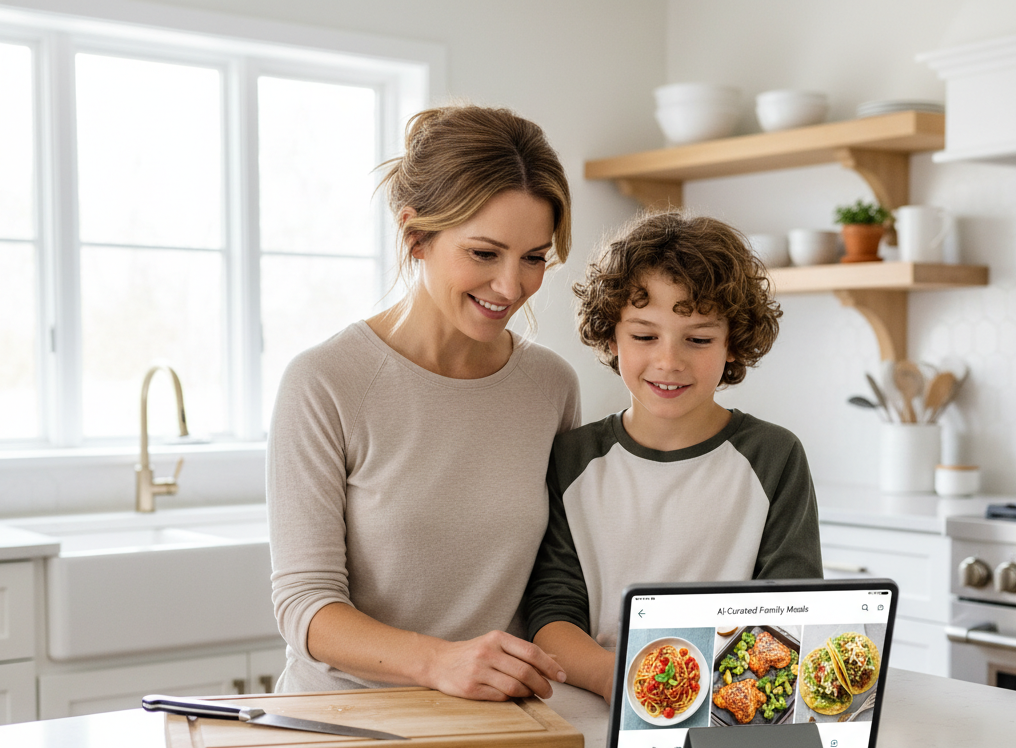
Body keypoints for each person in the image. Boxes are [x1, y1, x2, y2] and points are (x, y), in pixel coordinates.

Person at [268, 104, 580, 700]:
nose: (510, 286)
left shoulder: (551, 386)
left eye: (534, 258)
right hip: (344, 720)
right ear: (416, 235)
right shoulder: (325, 382)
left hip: (494, 719)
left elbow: (555, 582)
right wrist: (438, 662)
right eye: (484, 253)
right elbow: (306, 605)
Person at [526, 211, 822, 702]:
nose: (668, 361)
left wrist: (713, 693)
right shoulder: (572, 458)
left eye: (698, 339)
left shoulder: (774, 457)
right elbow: (552, 612)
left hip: (733, 703)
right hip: (601, 701)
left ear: (732, 343)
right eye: (645, 336)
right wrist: (623, 682)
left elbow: (792, 611)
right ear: (612, 335)